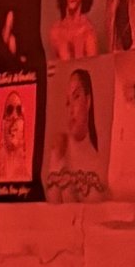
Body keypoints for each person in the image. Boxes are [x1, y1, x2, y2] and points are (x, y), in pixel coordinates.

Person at [44, 64, 103, 202]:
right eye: (67, 102)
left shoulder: (99, 161)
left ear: (88, 101)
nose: (71, 109)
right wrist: (56, 160)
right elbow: (52, 208)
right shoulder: (60, 149)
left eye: (76, 97)